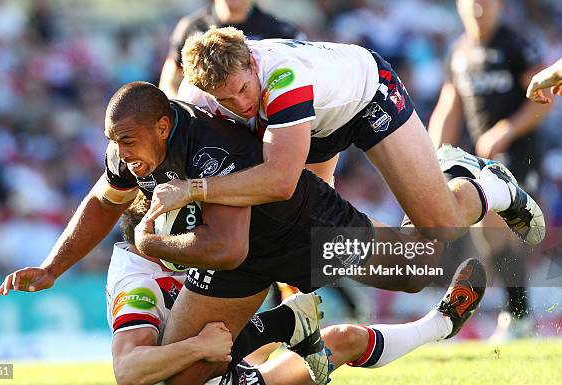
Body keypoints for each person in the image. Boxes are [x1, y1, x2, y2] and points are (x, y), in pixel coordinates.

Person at [0, 82, 475, 385]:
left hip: (298, 227)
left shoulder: (209, 148)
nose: (120, 153)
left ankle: (473, 185)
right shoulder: (131, 150)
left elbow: (227, 247)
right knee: (190, 375)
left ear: (163, 126)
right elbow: (104, 201)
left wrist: (152, 242)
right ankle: (307, 326)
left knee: (416, 271)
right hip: (236, 259)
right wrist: (52, 267)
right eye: (112, 142)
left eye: (126, 141)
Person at [149, 26, 545, 248]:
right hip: (311, 124)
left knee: (440, 226)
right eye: (226, 100)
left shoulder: (281, 75)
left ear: (251, 60)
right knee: (303, 233)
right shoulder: (197, 97)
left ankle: (491, 186)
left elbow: (280, 181)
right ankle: (302, 328)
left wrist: (194, 189)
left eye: (243, 88)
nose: (242, 103)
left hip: (367, 97)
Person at [103, 192, 489, 385]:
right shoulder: (138, 287)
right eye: (188, 233)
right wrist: (198, 347)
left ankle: (440, 322)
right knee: (342, 338)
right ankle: (287, 323)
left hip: (216, 366)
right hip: (205, 374)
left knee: (334, 334)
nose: (196, 239)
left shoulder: (160, 257)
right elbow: (127, 370)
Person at [428, 0, 552, 341]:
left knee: (492, 223)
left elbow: (543, 97)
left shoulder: (515, 42)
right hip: (482, 160)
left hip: (521, 153)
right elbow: (449, 106)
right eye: (472, 2)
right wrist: (430, 158)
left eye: (487, 1)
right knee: (487, 230)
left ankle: (518, 314)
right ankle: (519, 314)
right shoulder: (459, 50)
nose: (479, 8)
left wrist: (507, 131)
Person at [159, 0, 302, 98]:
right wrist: (186, 117)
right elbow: (170, 81)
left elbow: (299, 81)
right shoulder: (191, 28)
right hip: (206, 128)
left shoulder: (280, 31)